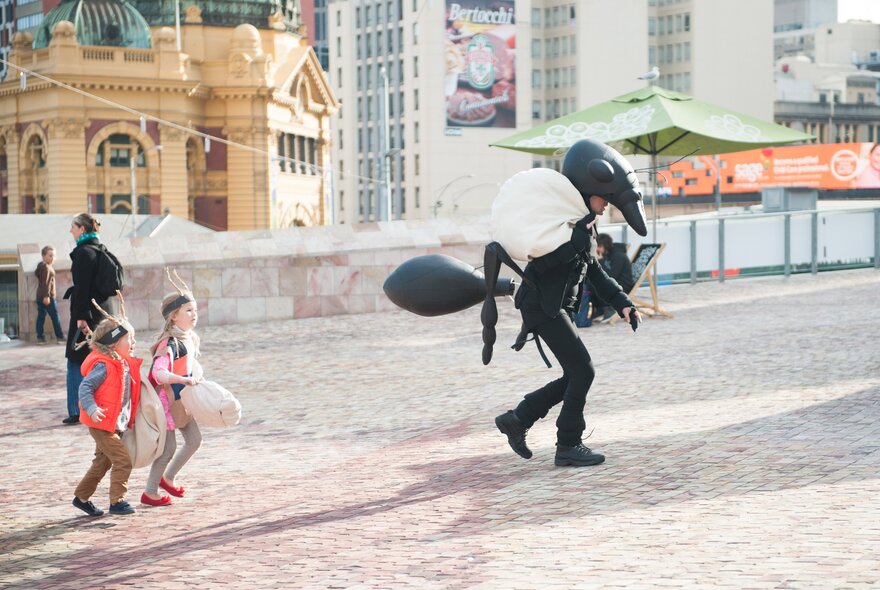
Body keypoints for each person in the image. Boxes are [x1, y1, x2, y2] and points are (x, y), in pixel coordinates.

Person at [493, 138, 647, 467]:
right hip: (542, 307)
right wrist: (574, 241)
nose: (606, 205)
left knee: (575, 375)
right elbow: (541, 263)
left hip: (552, 307)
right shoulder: (564, 227)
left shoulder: (581, 229)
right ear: (587, 191)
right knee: (583, 371)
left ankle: (518, 420)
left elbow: (593, 271)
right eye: (603, 198)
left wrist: (623, 303)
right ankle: (568, 444)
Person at [72, 296, 141, 517]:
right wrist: (92, 408)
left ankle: (81, 497)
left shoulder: (121, 364)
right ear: (113, 343)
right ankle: (117, 501)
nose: (133, 343)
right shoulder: (104, 365)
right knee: (122, 459)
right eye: (129, 338)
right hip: (101, 423)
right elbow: (85, 388)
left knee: (102, 463)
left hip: (113, 423)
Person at [140, 270, 203, 507]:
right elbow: (158, 372)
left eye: (195, 310)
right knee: (168, 449)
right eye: (188, 310)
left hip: (183, 400)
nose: (194, 314)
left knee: (194, 440)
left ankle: (168, 478)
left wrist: (196, 377)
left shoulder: (190, 338)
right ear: (174, 316)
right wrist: (182, 379)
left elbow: (191, 365)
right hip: (166, 403)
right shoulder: (169, 344)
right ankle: (149, 492)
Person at [62, 213, 109, 425]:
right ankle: (98, 403)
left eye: (72, 226)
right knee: (99, 359)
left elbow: (81, 288)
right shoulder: (101, 249)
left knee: (74, 360)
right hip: (102, 312)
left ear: (81, 229)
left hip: (86, 315)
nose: (70, 230)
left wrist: (80, 317)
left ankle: (76, 410)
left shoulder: (83, 253)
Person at [590, 233, 635, 323]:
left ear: (604, 245)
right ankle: (600, 309)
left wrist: (600, 261)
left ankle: (611, 308)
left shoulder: (618, 256)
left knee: (599, 285)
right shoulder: (608, 253)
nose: (597, 249)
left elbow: (612, 275)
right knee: (591, 283)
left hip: (623, 285)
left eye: (599, 246)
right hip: (616, 282)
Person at [34, 245, 65, 344]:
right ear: (43, 256)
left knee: (41, 316)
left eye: (54, 256)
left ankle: (40, 338)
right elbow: (45, 283)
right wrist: (46, 296)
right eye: (50, 255)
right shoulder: (46, 267)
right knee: (55, 317)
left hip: (40, 296)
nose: (53, 258)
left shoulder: (41, 266)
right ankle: (60, 337)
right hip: (48, 297)